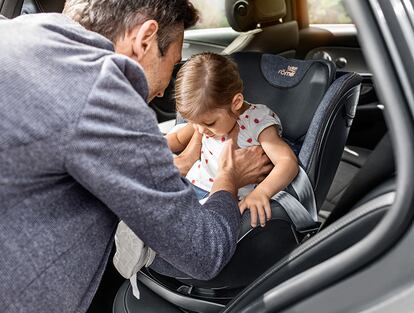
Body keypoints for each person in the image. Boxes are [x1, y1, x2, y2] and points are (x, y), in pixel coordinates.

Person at [0, 1, 272, 312]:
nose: (162, 90)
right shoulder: (102, 92)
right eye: (172, 64)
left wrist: (176, 165)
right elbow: (204, 251)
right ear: (145, 38)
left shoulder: (17, 32)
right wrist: (228, 178)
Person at [167, 53, 299, 228]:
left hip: (229, 197)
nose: (199, 130)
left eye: (209, 123)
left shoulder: (257, 120)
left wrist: (262, 192)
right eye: (192, 123)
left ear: (236, 102)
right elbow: (176, 138)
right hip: (192, 184)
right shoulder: (203, 120)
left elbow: (287, 162)